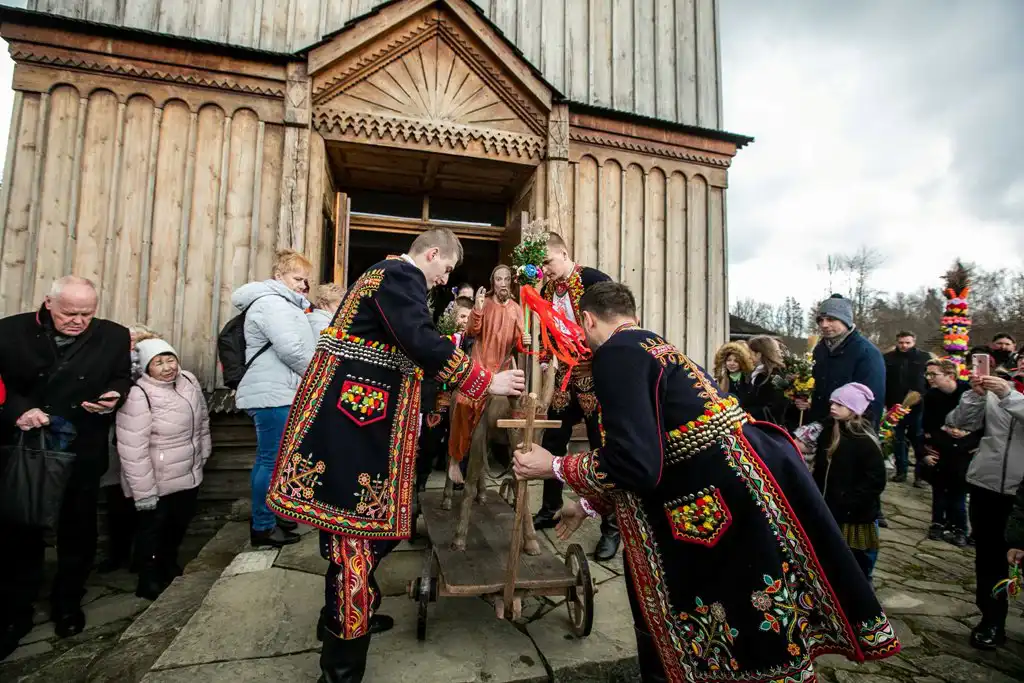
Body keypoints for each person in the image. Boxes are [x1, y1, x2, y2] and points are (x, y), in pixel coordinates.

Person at [513, 282, 900, 682]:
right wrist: (590, 504)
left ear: (588, 320)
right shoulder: (655, 346)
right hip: (739, 491)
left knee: (714, 617)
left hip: (715, 505)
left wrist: (554, 465)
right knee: (751, 615)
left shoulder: (615, 354)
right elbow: (665, 444)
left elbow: (636, 462)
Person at [264, 228, 525, 683]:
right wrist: (485, 381)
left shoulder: (382, 276)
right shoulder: (400, 275)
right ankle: (341, 668)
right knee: (354, 545)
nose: (445, 280)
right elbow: (420, 341)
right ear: (432, 253)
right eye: (446, 269)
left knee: (363, 537)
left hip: (351, 425)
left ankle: (347, 618)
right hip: (353, 431)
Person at [0, 276, 132, 658]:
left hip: (81, 448)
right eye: (69, 313)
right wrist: (18, 410)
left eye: (86, 314)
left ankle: (68, 602)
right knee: (20, 530)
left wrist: (114, 396)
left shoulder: (113, 335)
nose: (78, 321)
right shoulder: (9, 332)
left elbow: (120, 377)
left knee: (78, 530)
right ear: (49, 303)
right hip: (25, 449)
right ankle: (15, 612)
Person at [531, 231, 619, 561]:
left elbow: (613, 326)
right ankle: (550, 507)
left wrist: (601, 362)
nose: (545, 270)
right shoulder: (547, 290)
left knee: (602, 445)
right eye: (541, 266)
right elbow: (546, 327)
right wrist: (545, 358)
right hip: (566, 375)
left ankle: (612, 527)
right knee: (553, 439)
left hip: (595, 376)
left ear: (565, 254)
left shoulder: (594, 280)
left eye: (548, 262)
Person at [231, 249, 316, 548]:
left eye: (305, 280)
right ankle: (263, 526)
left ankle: (274, 516)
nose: (303, 285)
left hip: (278, 390)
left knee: (275, 460)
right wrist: (317, 376)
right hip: (273, 394)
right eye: (297, 278)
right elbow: (291, 349)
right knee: (271, 460)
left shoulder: (282, 303)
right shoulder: (272, 303)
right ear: (279, 276)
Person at [116, 339, 211, 600]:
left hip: (188, 472)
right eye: (158, 363)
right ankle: (148, 579)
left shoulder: (188, 381)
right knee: (153, 529)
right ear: (146, 367)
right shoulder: (139, 394)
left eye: (171, 360)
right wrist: (144, 491)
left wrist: (204, 452)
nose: (167, 367)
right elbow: (132, 448)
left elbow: (202, 420)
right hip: (156, 477)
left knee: (178, 524)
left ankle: (169, 564)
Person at [945, 372, 1024, 650]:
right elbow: (959, 422)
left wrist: (1008, 396)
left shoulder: (1006, 393)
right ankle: (992, 620)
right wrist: (974, 396)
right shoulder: (1000, 389)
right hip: (987, 486)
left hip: (1021, 493)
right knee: (989, 558)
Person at [447, 265, 525, 484]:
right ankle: (454, 460)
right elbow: (472, 331)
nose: (503, 283)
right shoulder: (485, 303)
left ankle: (517, 464)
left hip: (504, 370)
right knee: (463, 403)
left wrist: (524, 341)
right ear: (493, 282)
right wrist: (478, 309)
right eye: (499, 279)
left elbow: (518, 344)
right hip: (480, 366)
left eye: (506, 279)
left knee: (519, 410)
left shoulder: (516, 309)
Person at [97, 323, 160, 574]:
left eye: (137, 342)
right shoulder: (107, 365)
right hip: (113, 439)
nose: (132, 346)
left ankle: (142, 557)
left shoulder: (154, 366)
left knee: (145, 503)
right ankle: (118, 553)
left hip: (145, 443)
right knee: (116, 500)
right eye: (128, 342)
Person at [809, 383, 886, 579]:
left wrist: (849, 502)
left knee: (857, 562)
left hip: (856, 517)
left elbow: (875, 480)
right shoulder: (828, 432)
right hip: (829, 507)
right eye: (832, 403)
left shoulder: (864, 441)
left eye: (839, 404)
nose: (833, 407)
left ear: (854, 409)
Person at [797, 295, 885, 428]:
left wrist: (860, 435)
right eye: (820, 320)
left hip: (847, 432)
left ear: (846, 320)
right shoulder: (820, 349)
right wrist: (806, 400)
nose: (824, 325)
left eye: (831, 319)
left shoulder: (867, 353)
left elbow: (872, 401)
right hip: (817, 427)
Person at [916, 359, 976, 547]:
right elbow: (926, 426)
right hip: (940, 446)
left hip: (963, 449)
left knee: (958, 492)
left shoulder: (968, 392)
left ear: (950, 376)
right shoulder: (931, 396)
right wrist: (926, 448)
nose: (929, 378)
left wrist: (967, 435)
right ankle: (937, 523)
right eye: (927, 374)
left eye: (934, 374)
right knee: (939, 489)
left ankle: (960, 528)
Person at [417, 296, 473, 493]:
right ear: (452, 317)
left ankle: (458, 481)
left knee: (461, 440)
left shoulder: (474, 342)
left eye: (469, 317)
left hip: (462, 400)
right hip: (438, 399)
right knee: (429, 442)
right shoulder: (442, 339)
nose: (465, 321)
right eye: (462, 316)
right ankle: (420, 482)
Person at [883, 332, 929, 485]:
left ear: (914, 342)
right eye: (901, 342)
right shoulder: (888, 358)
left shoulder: (924, 358)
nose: (904, 345)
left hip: (917, 405)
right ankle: (901, 471)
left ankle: (920, 475)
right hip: (895, 404)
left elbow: (929, 380)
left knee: (918, 439)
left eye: (907, 343)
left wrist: (924, 396)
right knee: (898, 439)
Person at [744, 335, 795, 429]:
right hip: (755, 427)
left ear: (759, 354)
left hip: (768, 429)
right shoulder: (755, 374)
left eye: (750, 353)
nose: (748, 357)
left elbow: (777, 407)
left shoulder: (776, 377)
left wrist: (747, 412)